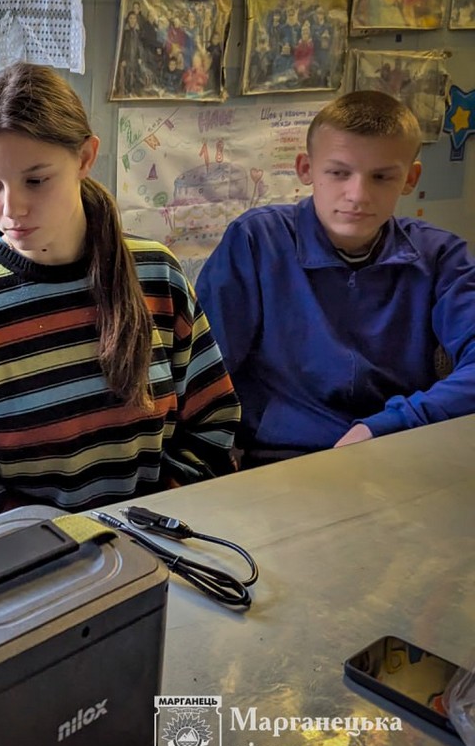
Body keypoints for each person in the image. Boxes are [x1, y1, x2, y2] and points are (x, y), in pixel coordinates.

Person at [0, 63, 240, 534]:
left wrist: (146, 528)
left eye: (36, 180)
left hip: (161, 547)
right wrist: (65, 542)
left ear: (84, 158)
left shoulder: (158, 276)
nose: (10, 209)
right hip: (31, 566)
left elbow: (213, 423)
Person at [196, 90, 475, 465]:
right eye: (338, 173)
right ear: (305, 169)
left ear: (410, 178)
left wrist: (393, 423)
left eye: (381, 176)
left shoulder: (441, 256)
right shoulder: (257, 241)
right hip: (280, 461)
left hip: (398, 449)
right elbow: (201, 373)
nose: (357, 194)